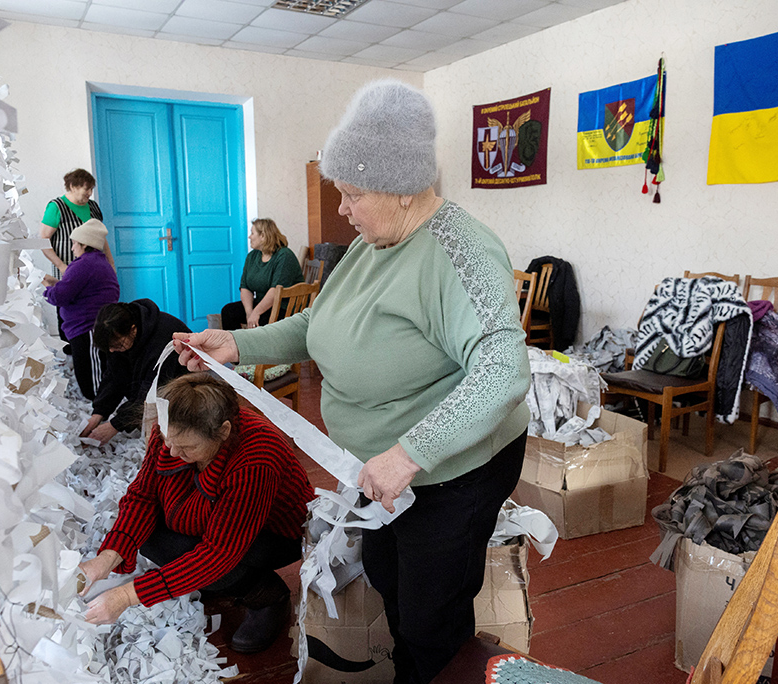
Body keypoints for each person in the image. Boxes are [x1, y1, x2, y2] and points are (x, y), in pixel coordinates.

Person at [173, 79, 531, 684]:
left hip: (446, 473)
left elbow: (504, 370)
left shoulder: (459, 251)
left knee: (431, 615)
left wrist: (411, 452)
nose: (341, 208)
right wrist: (238, 344)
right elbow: (321, 321)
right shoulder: (373, 239)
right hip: (380, 467)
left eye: (352, 193)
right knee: (391, 578)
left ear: (403, 190)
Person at [78, 373, 315, 653]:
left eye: (188, 447)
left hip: (273, 533)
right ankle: (212, 580)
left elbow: (219, 553)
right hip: (216, 510)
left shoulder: (256, 459)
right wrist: (108, 556)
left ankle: (266, 595)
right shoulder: (172, 432)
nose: (173, 452)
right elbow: (143, 495)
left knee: (210, 563)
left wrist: (127, 596)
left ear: (223, 431)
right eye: (168, 440)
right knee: (149, 537)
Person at [81, 299, 190, 445]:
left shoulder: (163, 338)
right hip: (150, 385)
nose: (113, 351)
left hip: (182, 390)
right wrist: (98, 413)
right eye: (109, 348)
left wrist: (115, 425)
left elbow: (152, 391)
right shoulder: (118, 335)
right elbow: (114, 377)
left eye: (117, 345)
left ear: (133, 329)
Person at [42, 219, 119, 400]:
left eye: (75, 243)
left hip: (89, 329)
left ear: (85, 244)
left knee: (92, 380)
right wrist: (56, 284)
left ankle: (99, 411)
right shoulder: (96, 262)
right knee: (90, 373)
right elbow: (75, 288)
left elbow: (61, 296)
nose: (72, 248)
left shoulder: (84, 264)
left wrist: (46, 288)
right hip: (89, 328)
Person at [221, 218, 303, 330]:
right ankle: (234, 345)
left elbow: (276, 291)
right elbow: (245, 287)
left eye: (252, 233)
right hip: (263, 305)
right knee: (228, 311)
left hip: (283, 308)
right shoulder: (252, 256)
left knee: (260, 322)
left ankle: (249, 346)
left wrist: (256, 313)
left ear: (263, 236)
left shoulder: (284, 256)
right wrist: (249, 313)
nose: (249, 237)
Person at [40, 168, 114, 277]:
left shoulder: (93, 207)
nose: (90, 193)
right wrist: (61, 266)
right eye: (86, 189)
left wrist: (111, 263)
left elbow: (101, 237)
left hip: (95, 270)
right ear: (73, 187)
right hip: (69, 271)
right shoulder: (56, 207)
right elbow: (43, 240)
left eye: (91, 189)